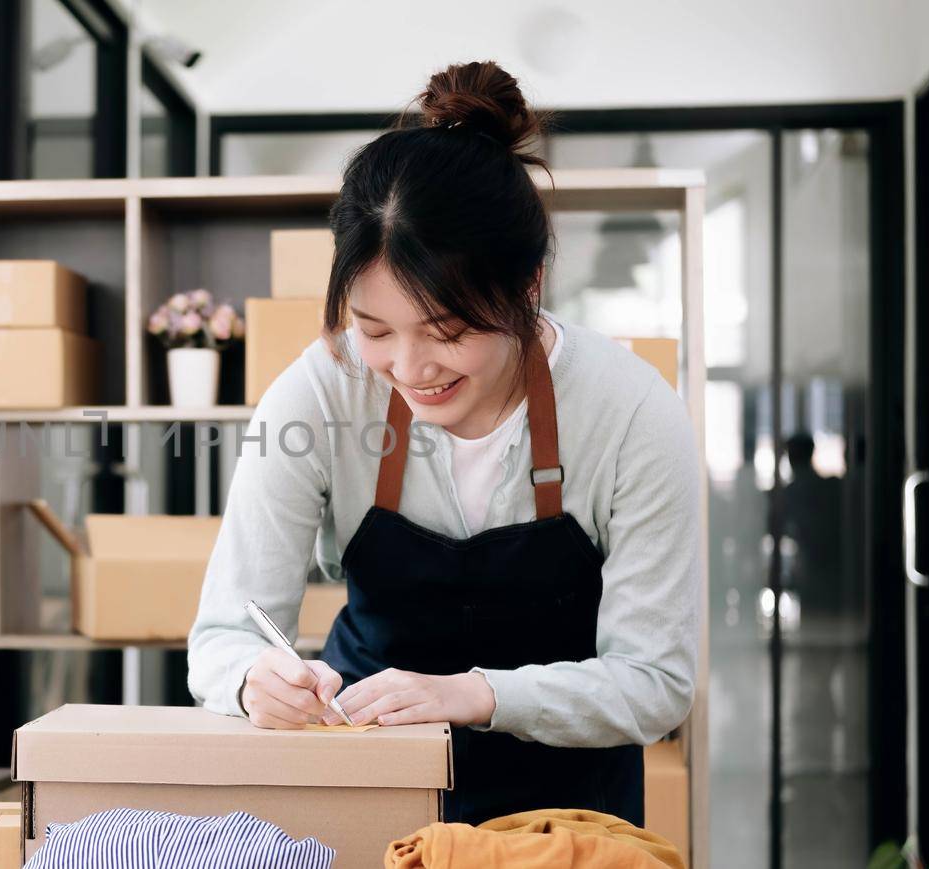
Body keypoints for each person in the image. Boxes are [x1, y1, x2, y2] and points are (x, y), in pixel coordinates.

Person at [187, 60, 699, 826]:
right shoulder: (322, 390)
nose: (410, 368)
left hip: (564, 826)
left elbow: (656, 681)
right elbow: (223, 635)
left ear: (528, 288)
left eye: (447, 331)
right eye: (375, 330)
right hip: (368, 801)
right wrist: (252, 679)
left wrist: (476, 693)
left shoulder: (632, 413)